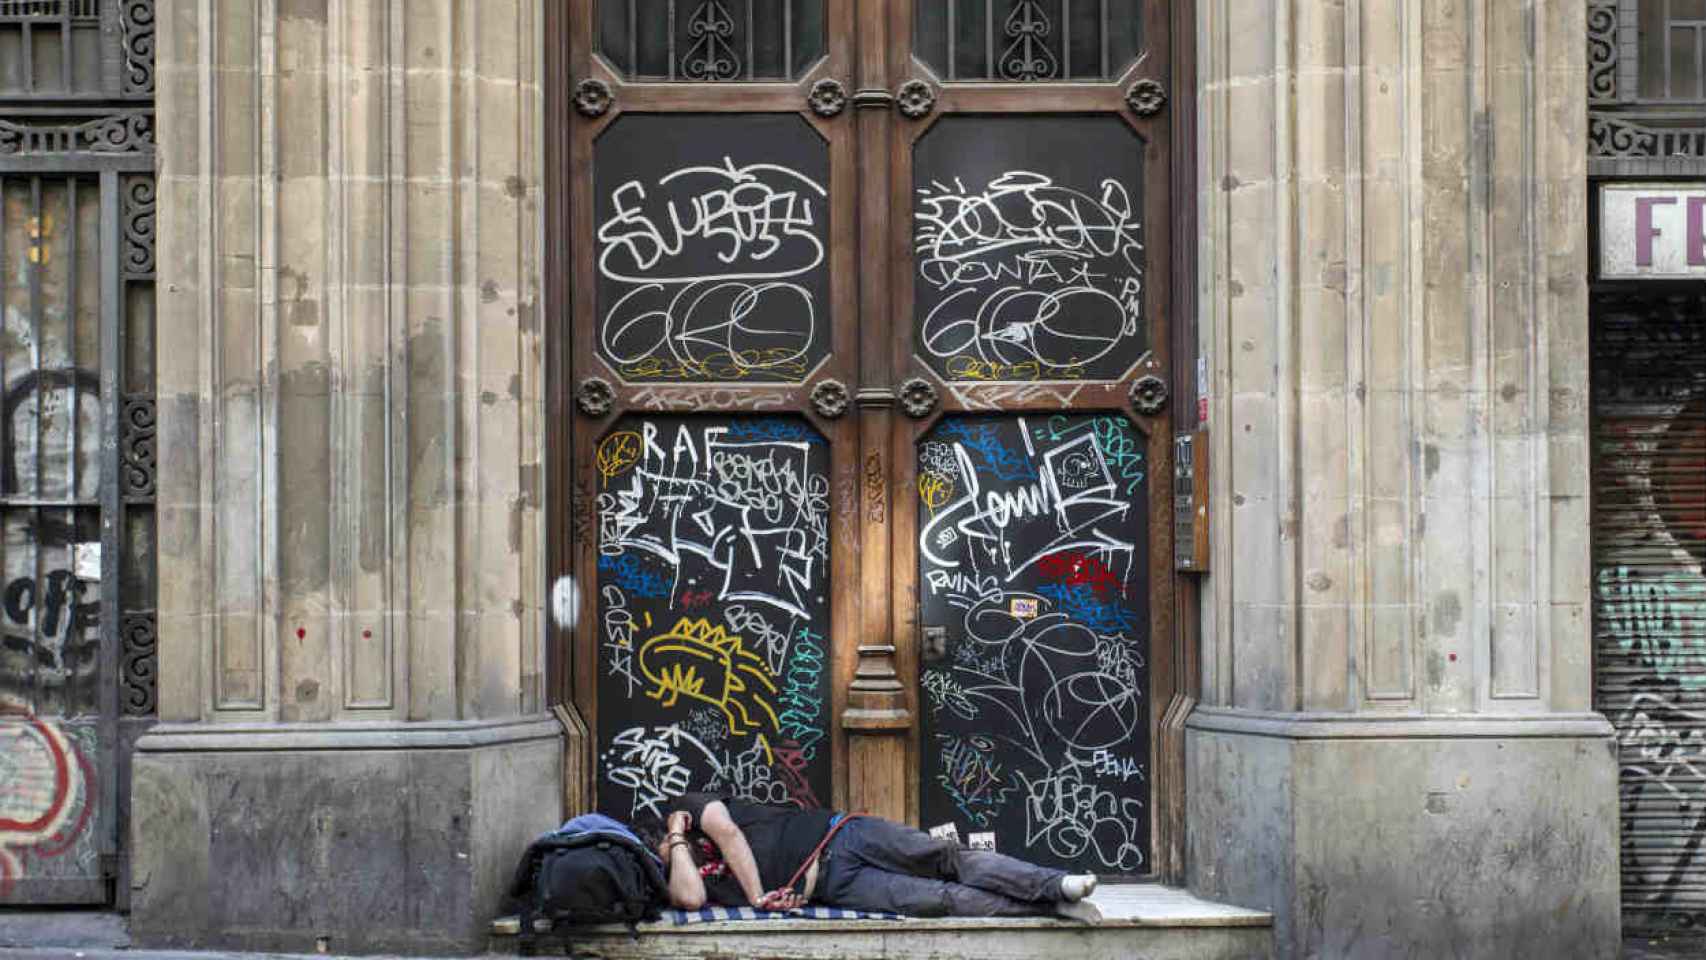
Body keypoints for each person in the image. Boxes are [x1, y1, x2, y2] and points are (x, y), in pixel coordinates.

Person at [640, 792, 1102, 922]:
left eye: (661, 844)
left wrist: (756, 894)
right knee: (939, 899)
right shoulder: (680, 867)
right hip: (833, 887)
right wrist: (677, 850)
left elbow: (731, 834)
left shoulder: (695, 809)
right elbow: (690, 899)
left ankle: (1052, 883)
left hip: (842, 836)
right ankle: (1047, 907)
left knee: (945, 856)